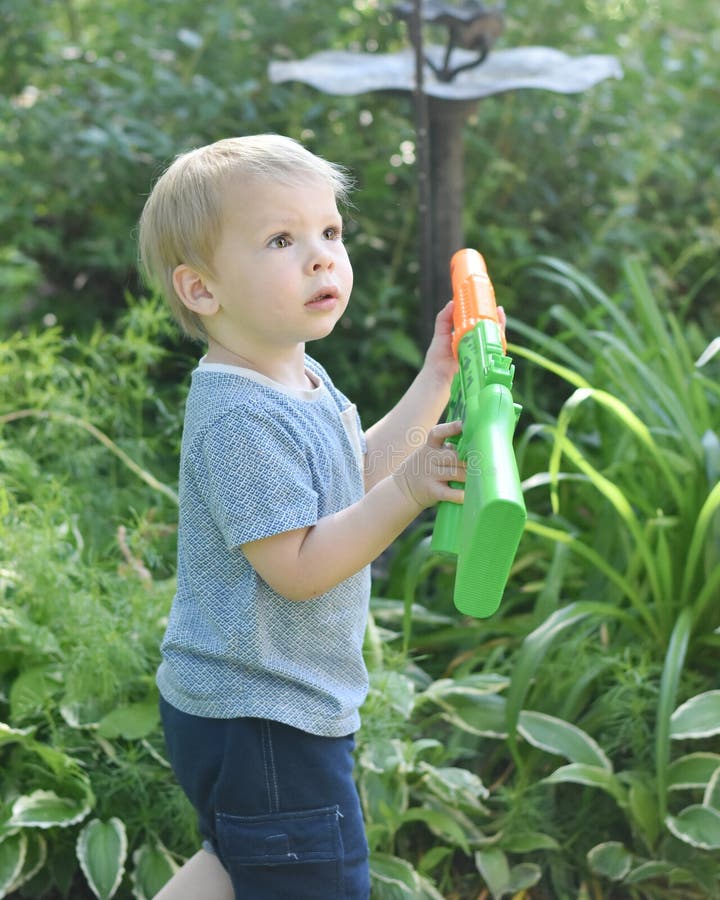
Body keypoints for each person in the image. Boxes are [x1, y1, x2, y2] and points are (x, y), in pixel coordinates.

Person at [137, 133, 477, 900]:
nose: (322, 256)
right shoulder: (239, 416)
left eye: (330, 232)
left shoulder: (295, 372)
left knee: (240, 862)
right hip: (265, 715)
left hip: (251, 709)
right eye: (282, 240)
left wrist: (435, 379)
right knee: (313, 882)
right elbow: (296, 568)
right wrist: (411, 493)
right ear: (202, 290)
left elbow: (349, 476)